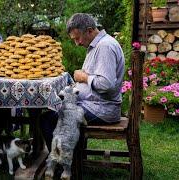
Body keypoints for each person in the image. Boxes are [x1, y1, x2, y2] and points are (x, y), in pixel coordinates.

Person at [41, 13, 125, 151]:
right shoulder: (97, 45)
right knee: (52, 109)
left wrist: (83, 77)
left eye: (78, 38)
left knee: (48, 119)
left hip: (102, 109)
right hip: (93, 104)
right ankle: (69, 160)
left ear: (90, 30)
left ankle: (61, 165)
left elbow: (106, 84)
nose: (77, 43)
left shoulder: (104, 47)